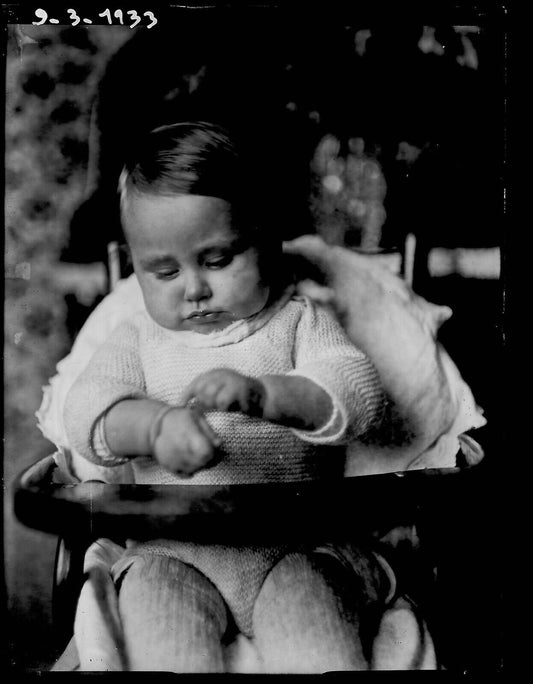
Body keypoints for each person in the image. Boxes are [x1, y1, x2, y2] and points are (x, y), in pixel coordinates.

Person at [63, 121, 390, 673]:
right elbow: (87, 414)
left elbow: (356, 391)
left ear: (266, 240)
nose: (193, 288)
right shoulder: (138, 336)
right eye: (163, 270)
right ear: (136, 264)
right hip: (171, 552)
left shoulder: (297, 321)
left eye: (217, 260)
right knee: (164, 648)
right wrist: (153, 429)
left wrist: (269, 396)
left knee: (317, 646)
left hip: (295, 549)